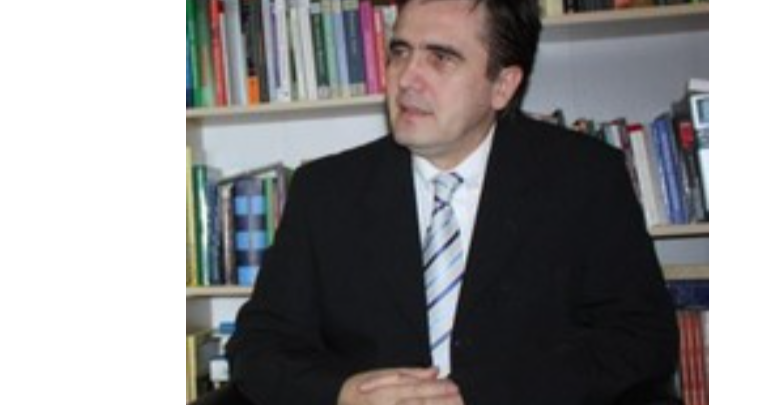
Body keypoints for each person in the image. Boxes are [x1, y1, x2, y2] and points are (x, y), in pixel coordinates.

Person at [226, 0, 679, 404]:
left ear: (503, 85)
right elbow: (258, 346)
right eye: (400, 52)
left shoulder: (585, 179)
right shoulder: (325, 191)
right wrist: (345, 394)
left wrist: (481, 395)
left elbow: (642, 340)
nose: (407, 79)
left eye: (441, 58)